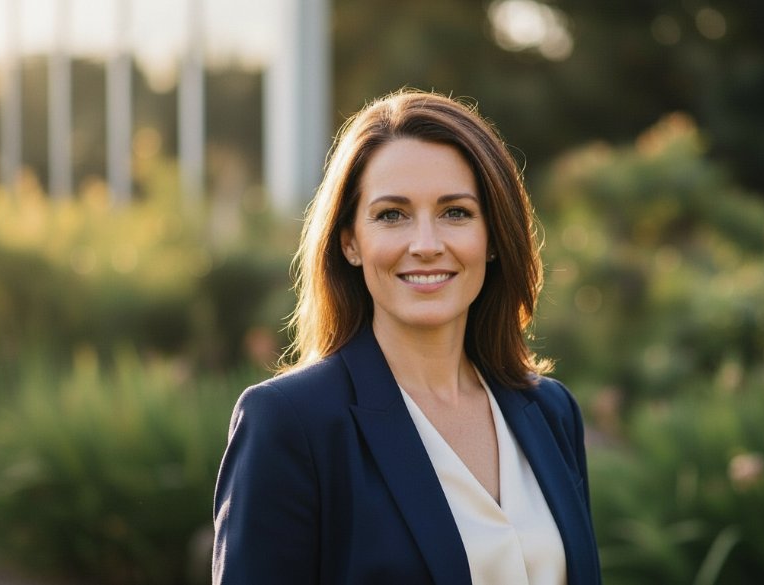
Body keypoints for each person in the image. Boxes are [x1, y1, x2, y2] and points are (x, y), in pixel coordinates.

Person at [212, 90, 602, 585]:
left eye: (455, 212)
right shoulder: (291, 423)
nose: (425, 245)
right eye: (392, 215)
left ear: (494, 237)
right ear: (350, 241)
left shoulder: (550, 411)